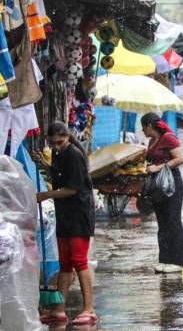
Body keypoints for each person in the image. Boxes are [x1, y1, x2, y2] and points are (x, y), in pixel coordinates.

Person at [35, 121, 96, 326]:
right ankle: (58, 310)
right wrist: (43, 164)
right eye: (53, 143)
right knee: (65, 263)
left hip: (79, 215)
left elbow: (72, 188)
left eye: (60, 141)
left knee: (79, 260)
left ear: (67, 136)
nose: (57, 145)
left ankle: (89, 309)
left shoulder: (75, 155)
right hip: (64, 214)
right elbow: (58, 176)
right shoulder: (59, 153)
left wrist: (45, 195)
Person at [141, 113, 183, 273]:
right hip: (158, 186)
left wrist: (158, 167)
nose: (142, 130)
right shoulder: (151, 141)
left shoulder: (168, 138)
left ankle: (179, 261)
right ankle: (165, 259)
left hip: (172, 184)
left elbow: (179, 159)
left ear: (149, 126)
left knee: (173, 221)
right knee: (162, 223)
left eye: (143, 127)